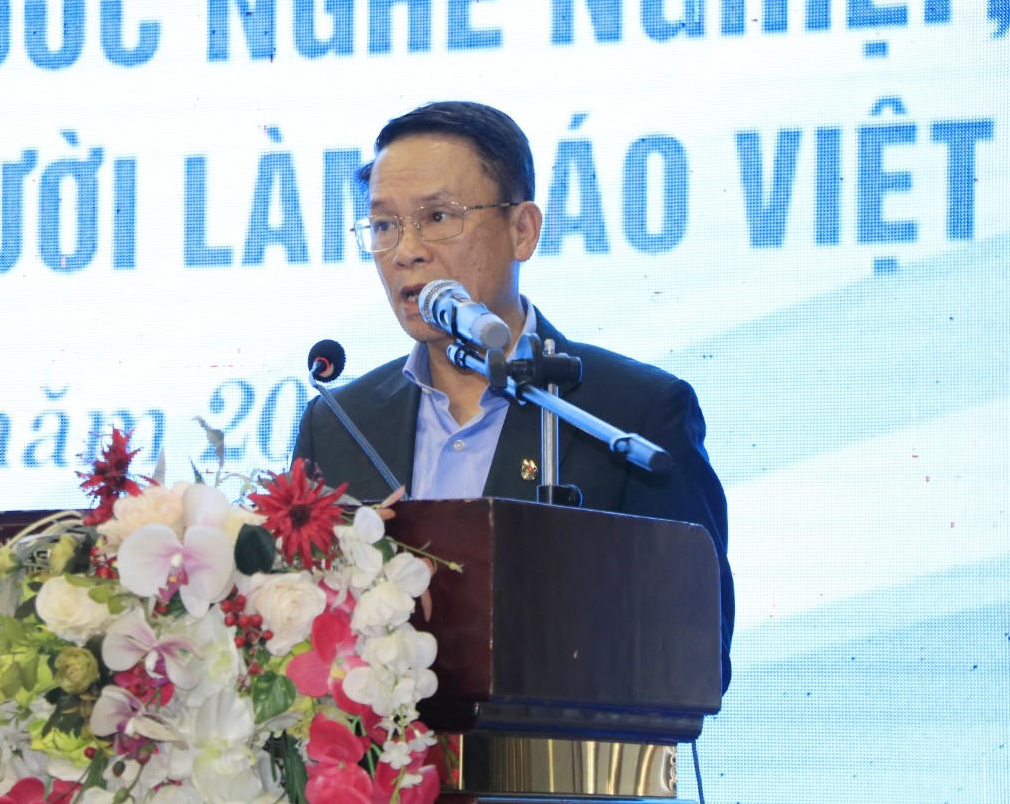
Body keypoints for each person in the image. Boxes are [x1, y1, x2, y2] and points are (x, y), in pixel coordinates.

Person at [292, 101, 732, 692]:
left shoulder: (633, 412)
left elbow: (694, 659)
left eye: (437, 217)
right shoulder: (338, 424)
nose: (405, 251)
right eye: (384, 225)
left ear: (522, 230)